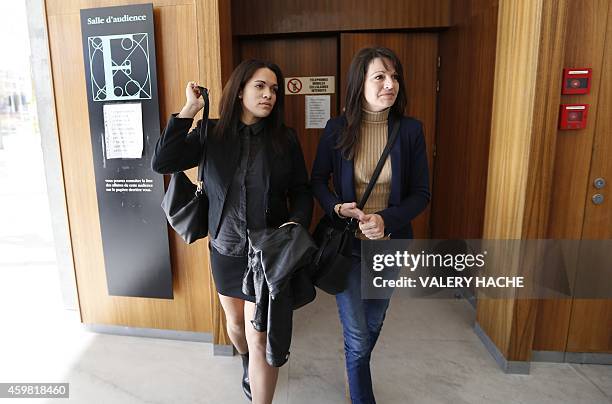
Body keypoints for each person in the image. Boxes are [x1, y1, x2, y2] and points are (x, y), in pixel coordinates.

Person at [151, 59, 313, 403]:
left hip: (268, 254)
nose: (269, 95)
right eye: (260, 86)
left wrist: (296, 224)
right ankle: (245, 361)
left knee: (260, 336)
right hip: (225, 248)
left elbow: (301, 188)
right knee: (237, 326)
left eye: (273, 89)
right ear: (240, 90)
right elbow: (163, 162)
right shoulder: (212, 132)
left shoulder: (285, 138)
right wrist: (189, 110)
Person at [311, 47, 430, 404]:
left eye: (394, 77)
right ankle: (362, 395)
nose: (390, 84)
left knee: (373, 323)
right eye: (379, 77)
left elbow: (421, 194)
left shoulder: (410, 131)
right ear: (359, 83)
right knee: (359, 333)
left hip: (390, 246)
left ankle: (353, 366)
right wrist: (335, 206)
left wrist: (385, 219)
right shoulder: (337, 129)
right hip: (348, 246)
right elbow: (317, 180)